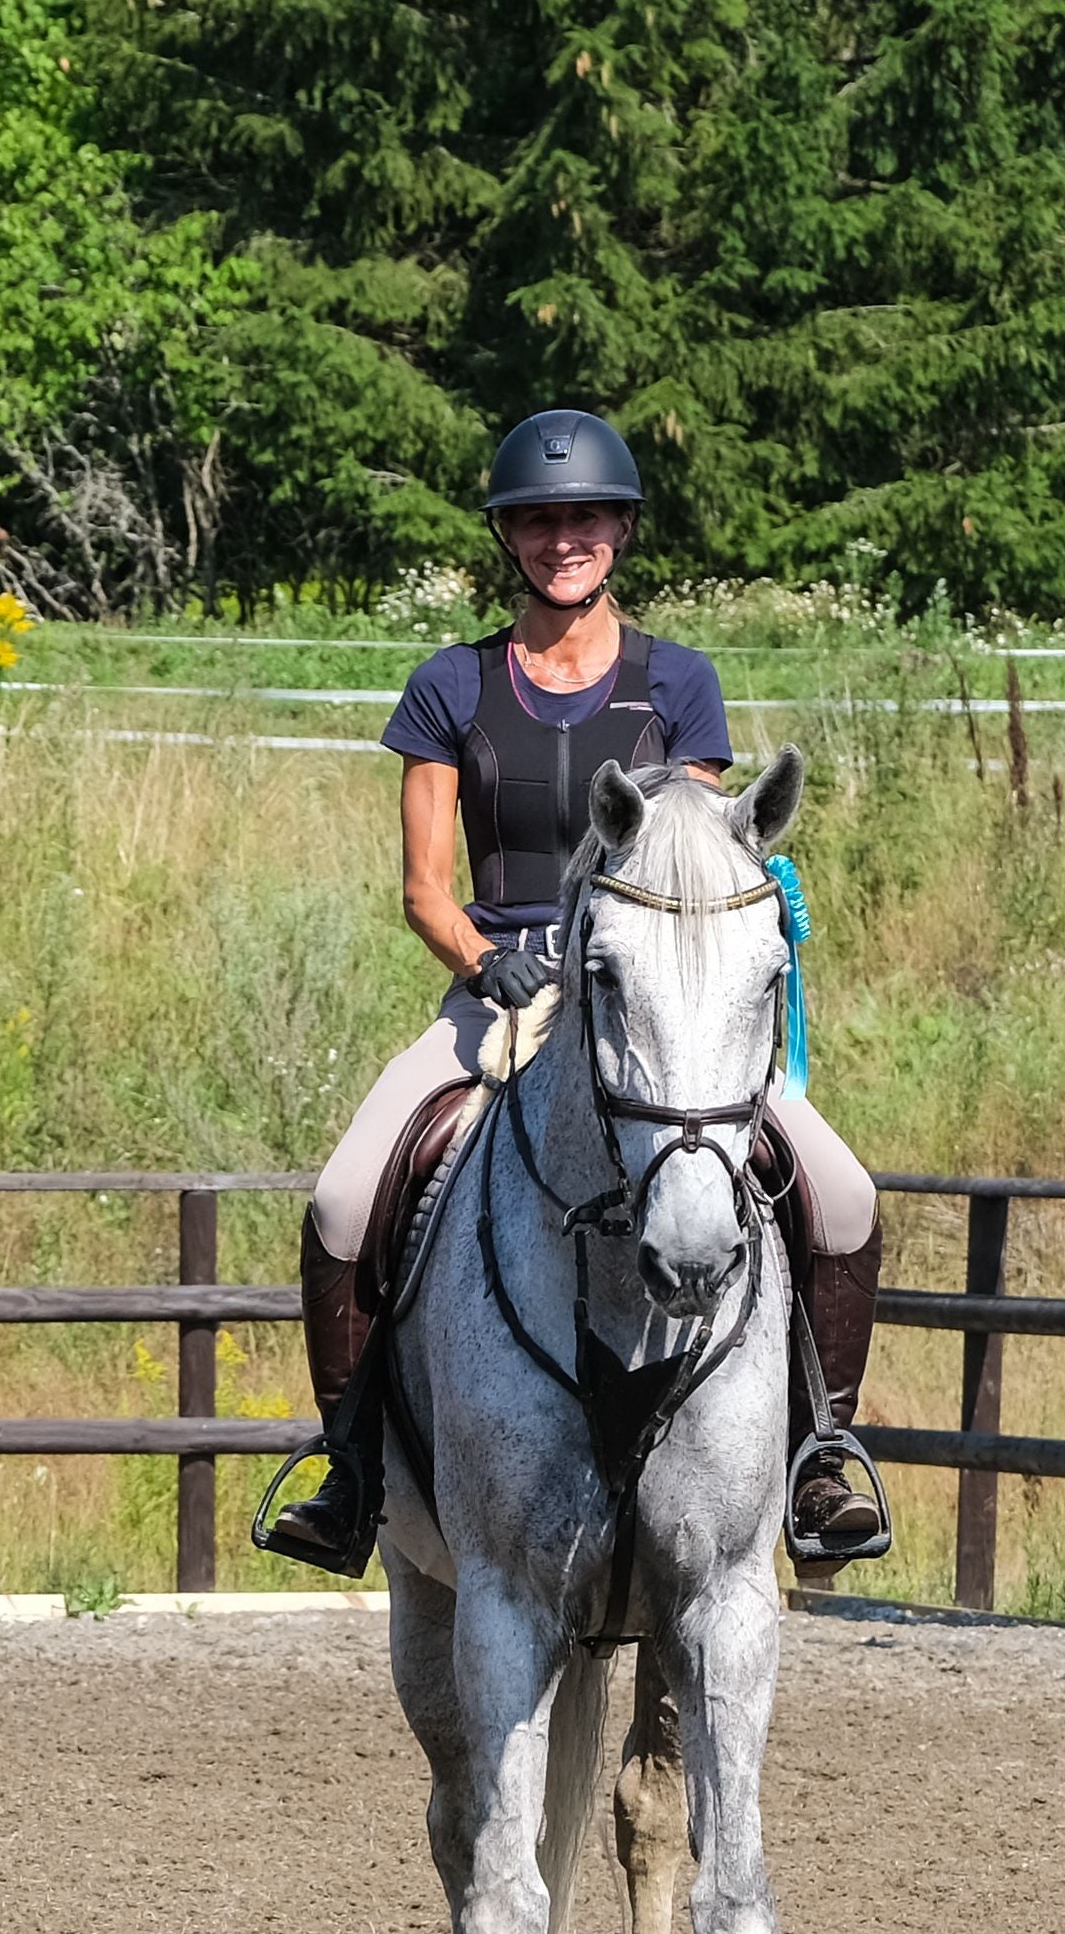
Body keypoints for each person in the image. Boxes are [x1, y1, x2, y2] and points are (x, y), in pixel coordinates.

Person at [259, 408, 891, 1574]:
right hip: (495, 1001)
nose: (563, 537)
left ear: (618, 529)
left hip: (650, 1010)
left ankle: (816, 1456)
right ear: (509, 536)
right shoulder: (448, 685)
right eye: (540, 519)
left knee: (841, 1196)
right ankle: (348, 1469)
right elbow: (421, 884)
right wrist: (479, 958)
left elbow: (690, 862)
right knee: (346, 1199)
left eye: (583, 516)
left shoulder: (676, 684)